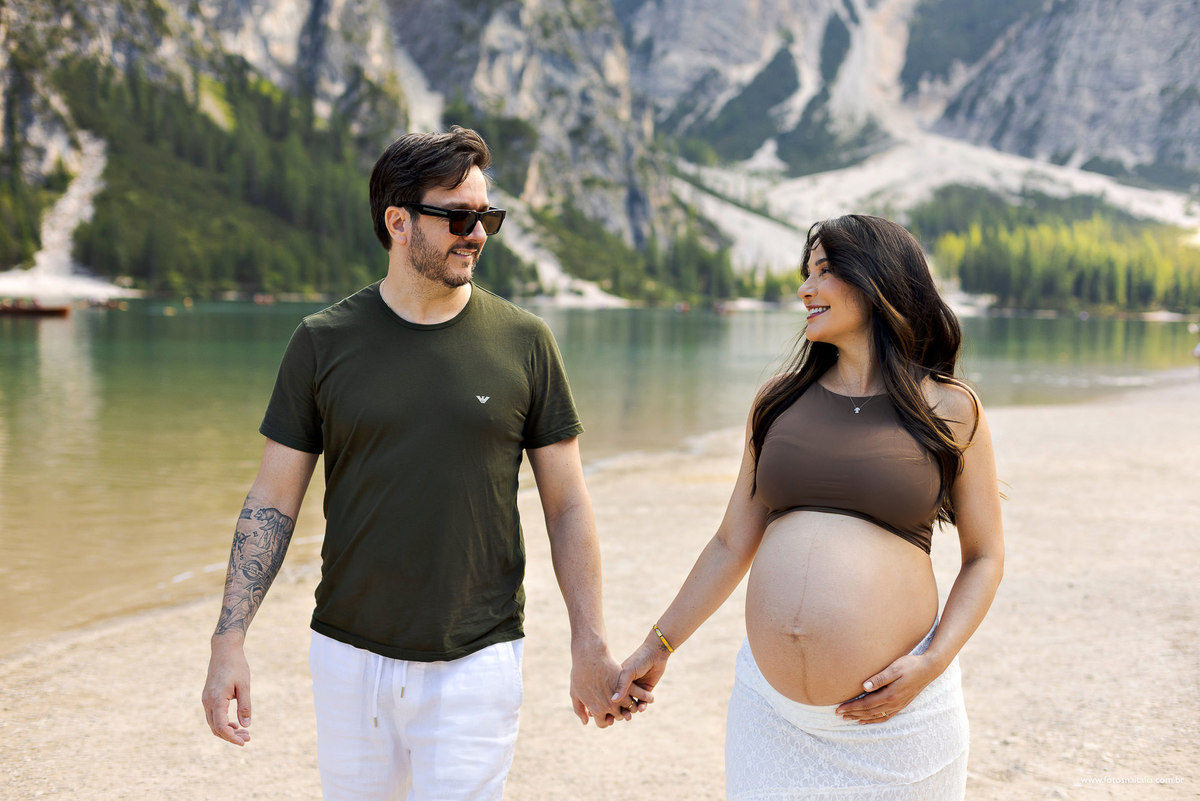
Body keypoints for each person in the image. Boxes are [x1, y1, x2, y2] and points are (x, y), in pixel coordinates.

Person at [201, 126, 643, 800]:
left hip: (478, 656)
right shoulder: (322, 342)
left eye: (487, 216)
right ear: (398, 222)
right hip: (349, 656)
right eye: (460, 215)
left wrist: (589, 641)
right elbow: (273, 499)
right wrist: (228, 641)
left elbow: (568, 503)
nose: (479, 233)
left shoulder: (526, 342)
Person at [614, 214, 1004, 799]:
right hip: (771, 718)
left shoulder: (950, 408)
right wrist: (658, 644)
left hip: (896, 717)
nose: (805, 289)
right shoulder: (776, 402)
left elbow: (985, 556)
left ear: (878, 283)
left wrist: (934, 663)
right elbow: (730, 543)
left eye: (824, 272)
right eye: (806, 273)